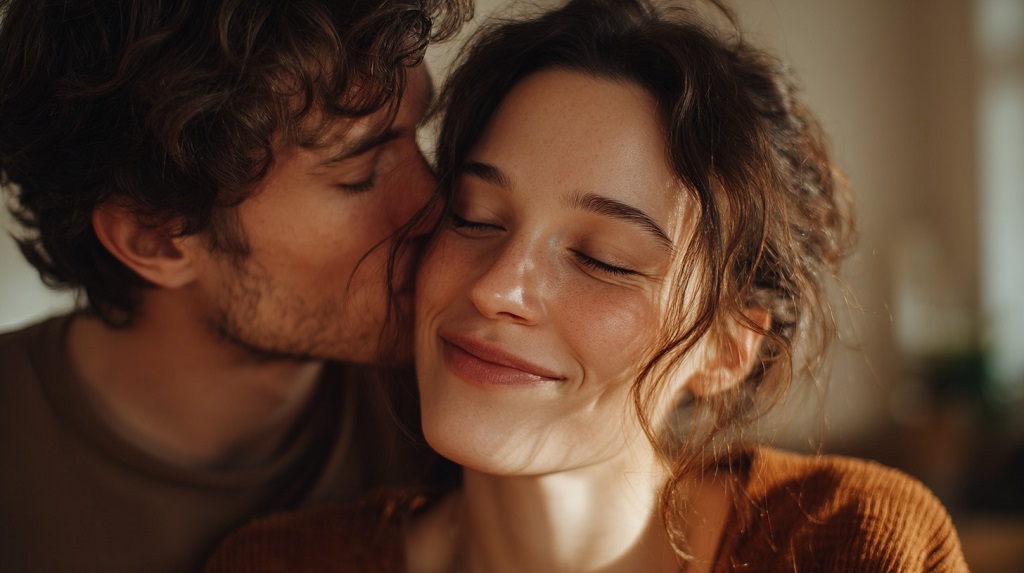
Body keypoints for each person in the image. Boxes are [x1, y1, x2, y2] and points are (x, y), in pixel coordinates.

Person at [205, 0, 970, 571]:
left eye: (603, 258)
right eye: (473, 217)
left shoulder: (850, 543)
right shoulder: (280, 563)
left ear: (731, 346)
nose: (498, 287)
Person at [0, 1, 472, 572]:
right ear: (156, 240)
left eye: (417, 138)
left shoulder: (461, 405)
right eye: (359, 176)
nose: (435, 207)